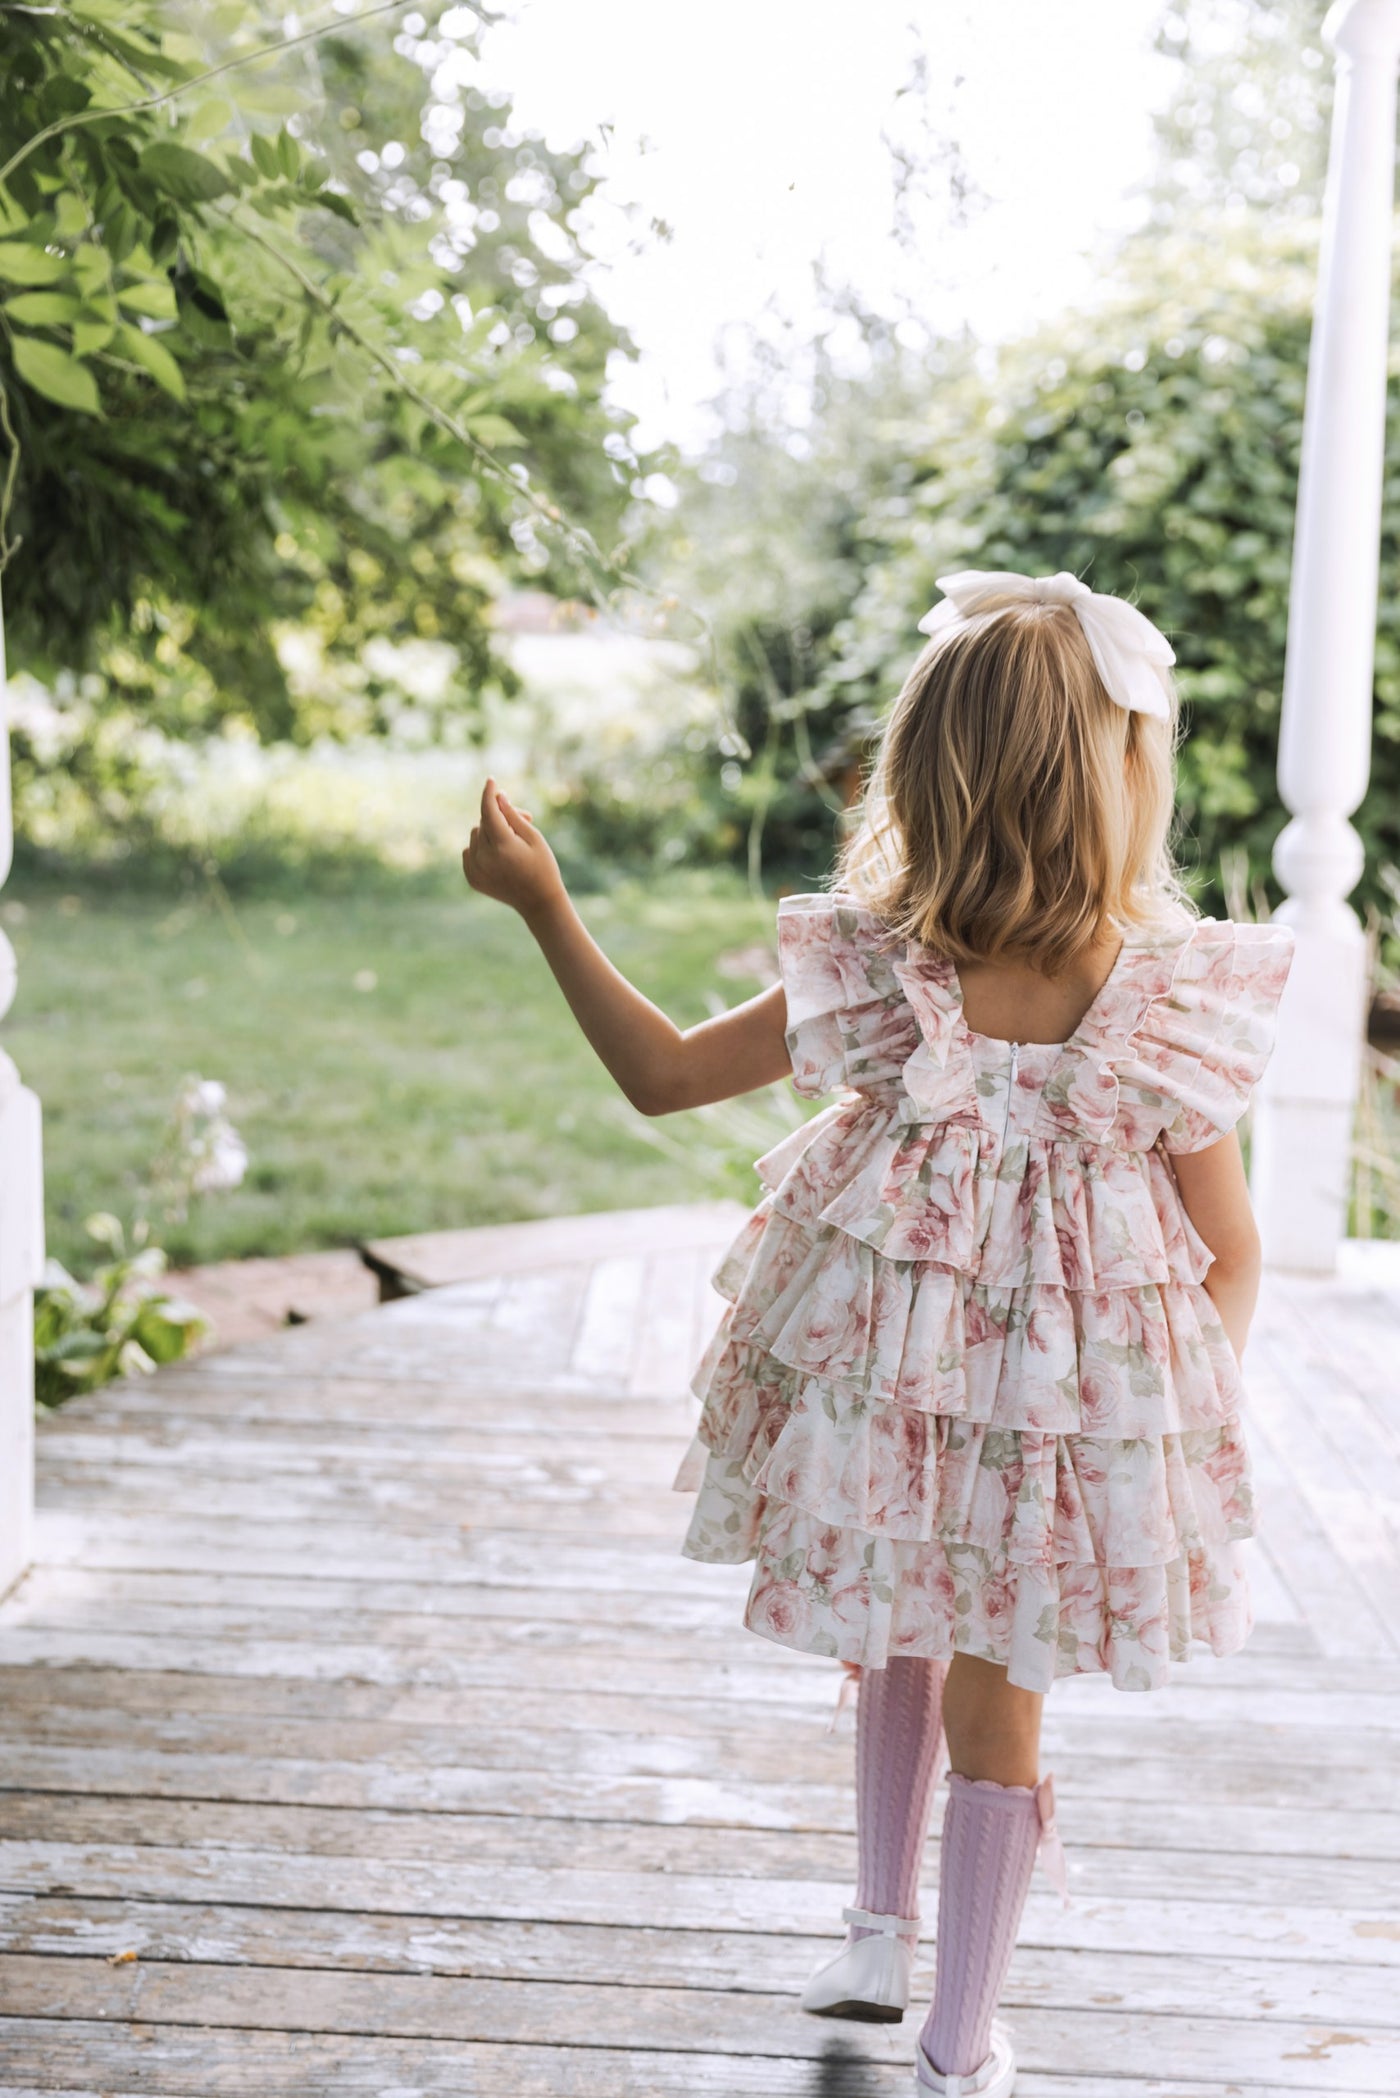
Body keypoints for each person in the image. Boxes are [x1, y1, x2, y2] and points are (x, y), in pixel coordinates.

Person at [463, 569, 1294, 2097]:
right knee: (961, 1667)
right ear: (1121, 781)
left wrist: (548, 906)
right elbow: (1232, 1253)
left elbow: (654, 1075)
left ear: (925, 778)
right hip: (958, 1412)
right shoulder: (981, 985)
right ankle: (912, 1976)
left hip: (985, 1425)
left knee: (932, 1642)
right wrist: (1159, 1407)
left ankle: (939, 2002)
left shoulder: (970, 985)